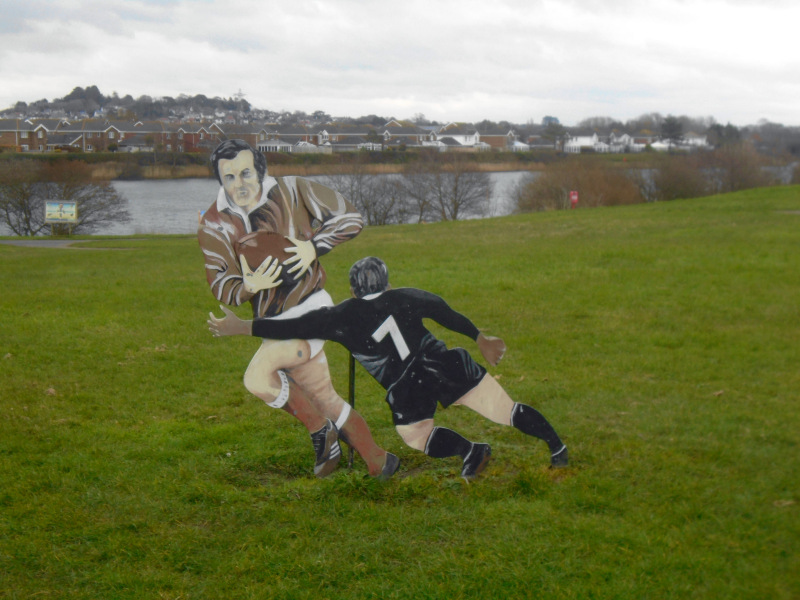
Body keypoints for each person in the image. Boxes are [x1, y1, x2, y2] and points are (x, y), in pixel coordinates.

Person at [208, 257, 568, 480]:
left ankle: (469, 451)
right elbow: (444, 310)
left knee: (416, 435)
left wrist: (243, 326)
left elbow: (292, 328)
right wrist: (479, 337)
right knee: (505, 410)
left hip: (405, 386)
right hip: (441, 365)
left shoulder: (340, 317)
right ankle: (557, 449)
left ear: (352, 288)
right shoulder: (407, 295)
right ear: (387, 282)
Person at [198, 141, 397, 480]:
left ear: (260, 170)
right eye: (228, 177)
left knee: (258, 378)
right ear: (219, 179)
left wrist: (313, 246)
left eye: (246, 173)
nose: (239, 183)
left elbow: (350, 217)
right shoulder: (213, 224)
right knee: (325, 398)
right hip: (272, 323)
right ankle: (379, 460)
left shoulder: (294, 189)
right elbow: (221, 285)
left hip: (312, 313)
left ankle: (322, 432)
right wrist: (249, 286)